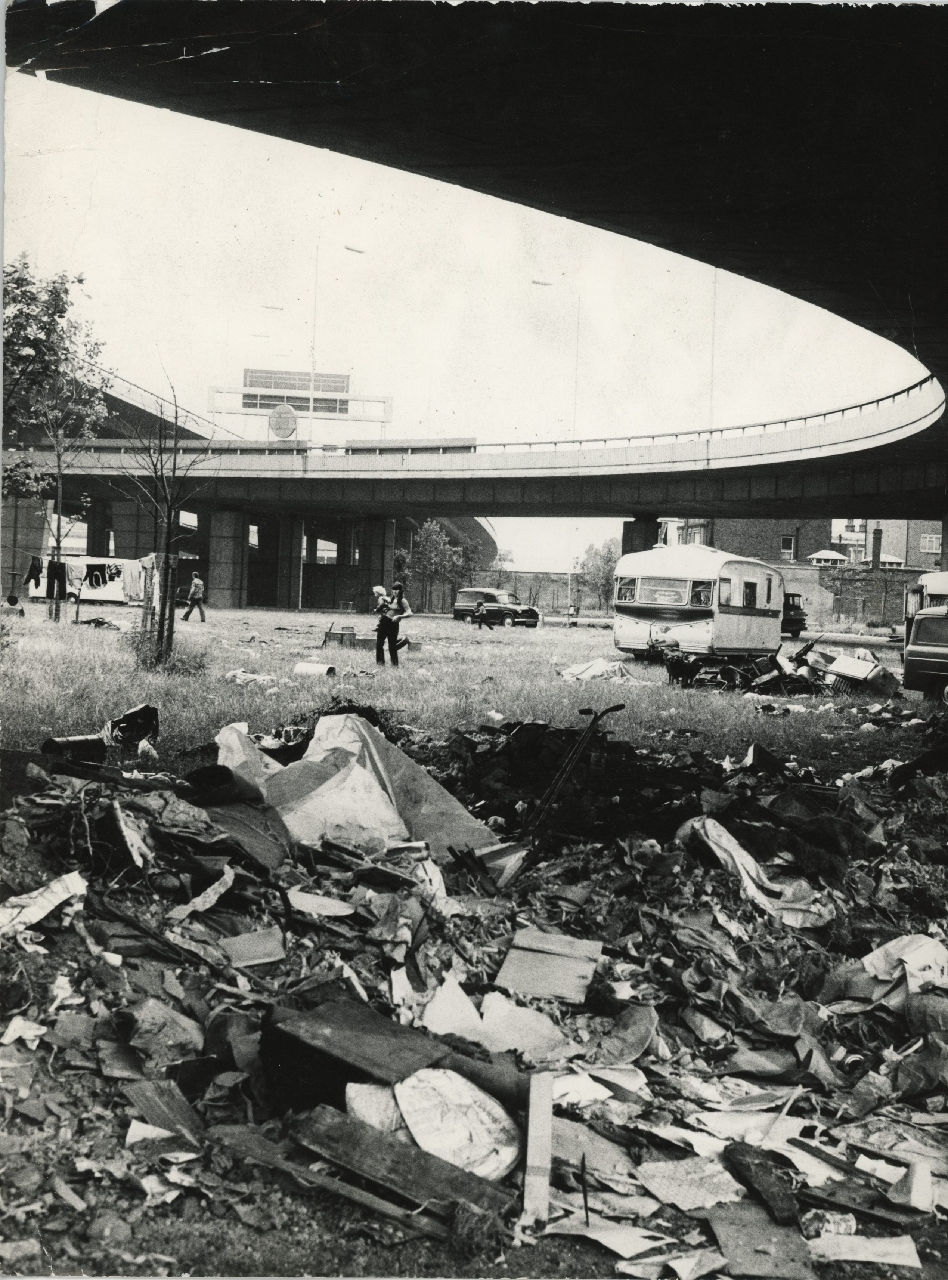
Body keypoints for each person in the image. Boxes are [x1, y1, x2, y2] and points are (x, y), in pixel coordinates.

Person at [373, 584, 399, 666]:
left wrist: (376, 610)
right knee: (392, 644)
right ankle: (395, 664)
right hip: (393, 621)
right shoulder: (387, 598)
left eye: (375, 592)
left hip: (385, 620)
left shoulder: (380, 598)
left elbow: (382, 606)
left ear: (378, 593)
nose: (374, 594)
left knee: (379, 643)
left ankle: (380, 662)